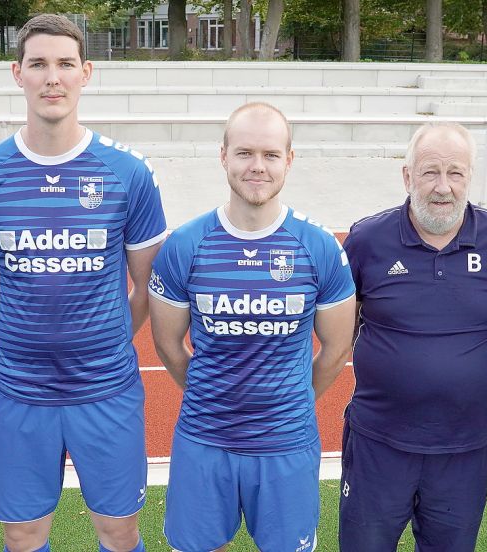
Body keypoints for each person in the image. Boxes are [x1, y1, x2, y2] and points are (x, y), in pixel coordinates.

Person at [0, 14, 166, 552]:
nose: (53, 77)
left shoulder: (127, 172)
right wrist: (21, 338)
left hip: (107, 388)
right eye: (39, 64)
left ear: (85, 73)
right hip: (20, 391)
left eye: (65, 64)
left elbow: (148, 287)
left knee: (118, 530)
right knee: (23, 535)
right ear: (17, 73)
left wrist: (111, 336)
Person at [147, 102, 356, 552]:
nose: (257, 166)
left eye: (270, 154)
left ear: (289, 159)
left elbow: (336, 350)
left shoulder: (319, 247)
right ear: (223, 155)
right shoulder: (185, 245)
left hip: (287, 443)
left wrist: (287, 399)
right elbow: (167, 345)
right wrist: (214, 394)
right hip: (204, 438)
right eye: (244, 153)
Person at [339, 122, 487, 551]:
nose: (443, 187)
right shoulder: (367, 239)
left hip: (465, 445)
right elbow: (344, 321)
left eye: (455, 173)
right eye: (429, 172)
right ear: (408, 177)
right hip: (378, 442)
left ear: (470, 177)